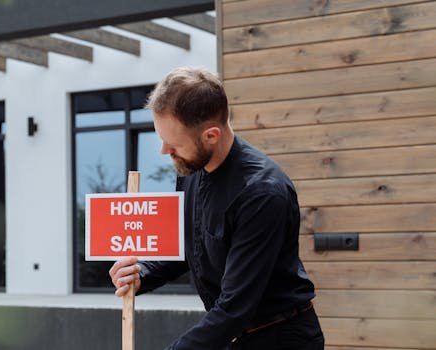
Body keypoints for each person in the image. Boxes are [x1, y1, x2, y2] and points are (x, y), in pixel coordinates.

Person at [108, 67, 324, 349]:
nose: (164, 151)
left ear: (211, 135)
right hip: (232, 335)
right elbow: (190, 248)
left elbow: (236, 306)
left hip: (281, 339)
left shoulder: (262, 193)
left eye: (173, 143)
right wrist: (141, 274)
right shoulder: (190, 168)